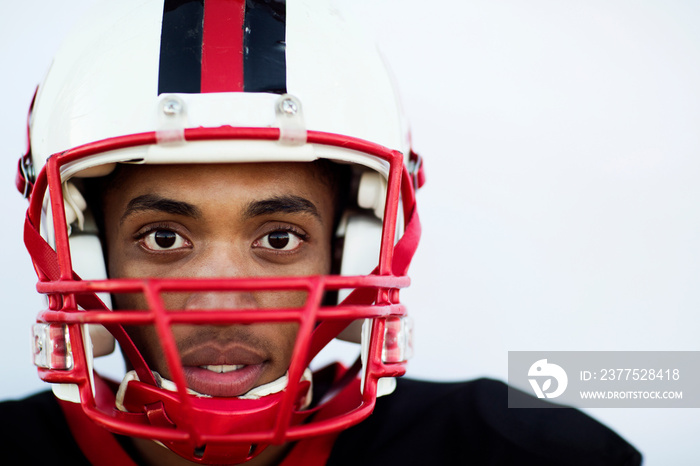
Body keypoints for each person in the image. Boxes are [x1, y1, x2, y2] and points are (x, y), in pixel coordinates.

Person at [3, 0, 641, 464]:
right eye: (164, 239)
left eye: (278, 239)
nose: (224, 304)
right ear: (84, 252)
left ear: (354, 241)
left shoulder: (505, 448)